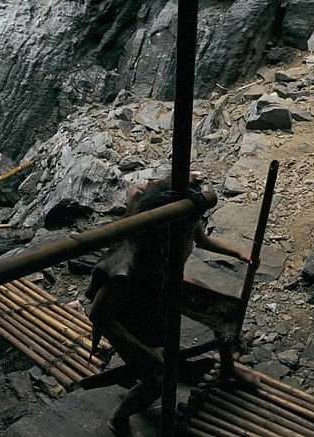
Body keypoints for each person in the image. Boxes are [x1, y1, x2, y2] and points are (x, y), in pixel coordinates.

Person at [87, 173, 252, 436]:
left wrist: (236, 252)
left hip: (165, 281)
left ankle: (227, 369)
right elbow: (99, 315)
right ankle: (120, 419)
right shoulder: (129, 262)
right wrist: (142, 351)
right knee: (158, 380)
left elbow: (198, 237)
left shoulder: (182, 220)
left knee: (224, 311)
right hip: (133, 311)